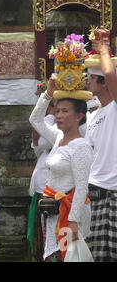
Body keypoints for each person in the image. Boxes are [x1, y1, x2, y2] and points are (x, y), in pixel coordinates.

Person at [29, 77, 93, 262]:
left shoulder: (81, 146)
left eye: (65, 111)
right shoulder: (58, 137)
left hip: (70, 215)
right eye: (57, 111)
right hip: (53, 210)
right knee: (52, 256)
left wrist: (73, 221)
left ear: (79, 116)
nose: (58, 115)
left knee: (66, 256)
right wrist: (48, 94)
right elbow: (35, 119)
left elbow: (81, 188)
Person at [85, 41, 117, 262]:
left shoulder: (115, 107)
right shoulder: (93, 114)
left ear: (104, 83)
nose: (87, 82)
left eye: (91, 78)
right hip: (94, 190)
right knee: (96, 255)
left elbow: (110, 74)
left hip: (114, 191)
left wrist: (104, 49)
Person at [27, 102, 56, 262]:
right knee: (39, 246)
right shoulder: (45, 149)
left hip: (57, 199)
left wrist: (51, 114)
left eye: (63, 110)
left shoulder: (61, 135)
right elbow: (35, 126)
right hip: (40, 194)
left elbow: (42, 133)